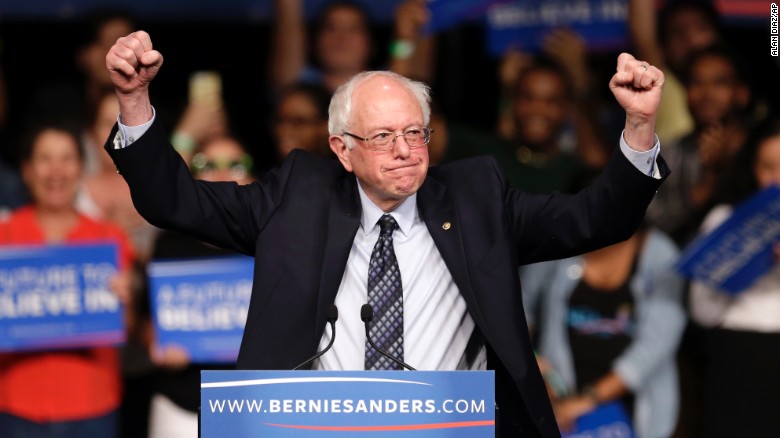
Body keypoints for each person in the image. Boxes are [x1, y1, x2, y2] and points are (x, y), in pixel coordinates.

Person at [104, 30, 667, 437]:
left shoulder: (478, 199)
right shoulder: (297, 198)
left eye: (414, 132)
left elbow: (598, 219)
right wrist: (134, 102)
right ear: (341, 150)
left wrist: (639, 127)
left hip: (452, 429)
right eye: (381, 137)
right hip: (319, 430)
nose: (403, 150)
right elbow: (173, 200)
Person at [0, 122, 134, 437]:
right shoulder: (3, 238)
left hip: (93, 405)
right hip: (17, 405)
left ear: (80, 168)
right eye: (45, 159)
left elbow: (125, 327)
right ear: (28, 170)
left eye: (66, 158)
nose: (56, 171)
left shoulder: (109, 238)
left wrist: (126, 297)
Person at [521, 215, 685, 437]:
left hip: (636, 408)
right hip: (558, 403)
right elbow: (518, 309)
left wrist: (588, 400)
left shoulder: (658, 252)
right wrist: (533, 363)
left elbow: (658, 341)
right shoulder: (559, 243)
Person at [143, 135, 254, 438]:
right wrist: (157, 342)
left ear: (254, 177)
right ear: (191, 176)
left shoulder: (273, 244)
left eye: (235, 165)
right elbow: (146, 323)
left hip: (254, 405)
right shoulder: (168, 245)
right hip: (181, 403)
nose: (221, 174)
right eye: (207, 165)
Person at [687, 116, 780, 437]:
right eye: (767, 167)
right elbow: (702, 313)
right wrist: (746, 262)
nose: (777, 179)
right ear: (751, 167)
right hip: (737, 363)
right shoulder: (724, 219)